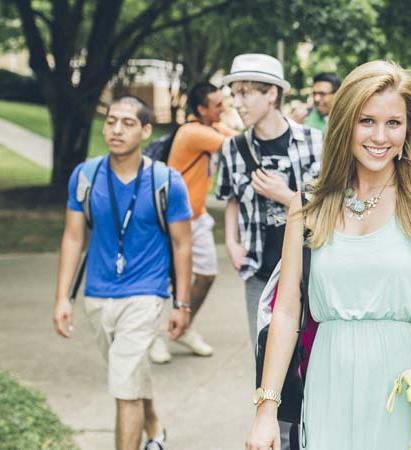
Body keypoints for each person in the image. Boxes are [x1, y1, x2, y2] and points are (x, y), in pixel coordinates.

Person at [245, 60, 411, 450]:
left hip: (404, 389)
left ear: (408, 129)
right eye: (366, 121)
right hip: (326, 384)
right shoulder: (309, 205)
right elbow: (285, 311)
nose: (380, 136)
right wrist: (266, 410)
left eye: (393, 123)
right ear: (345, 122)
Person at [52, 96, 192, 450]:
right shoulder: (85, 176)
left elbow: (182, 244)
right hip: (98, 295)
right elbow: (72, 237)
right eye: (111, 121)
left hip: (147, 294)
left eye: (128, 123)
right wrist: (62, 298)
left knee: (124, 385)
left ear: (145, 130)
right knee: (126, 375)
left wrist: (182, 304)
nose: (116, 129)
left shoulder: (166, 182)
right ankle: (155, 427)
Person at [217, 54, 323, 450]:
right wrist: (231, 241)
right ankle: (275, 434)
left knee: (311, 355)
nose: (239, 102)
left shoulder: (313, 142)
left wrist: (286, 196)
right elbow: (229, 199)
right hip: (260, 272)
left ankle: (312, 430)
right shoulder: (233, 148)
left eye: (247, 93)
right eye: (236, 93)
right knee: (268, 358)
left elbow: (331, 201)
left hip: (310, 270)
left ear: (273, 94)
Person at [148, 82, 231, 364]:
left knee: (206, 275)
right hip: (172, 220)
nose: (224, 108)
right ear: (201, 109)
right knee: (169, 280)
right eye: (218, 104)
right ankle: (157, 336)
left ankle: (181, 327)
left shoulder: (209, 130)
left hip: (198, 218)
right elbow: (240, 144)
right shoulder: (194, 133)